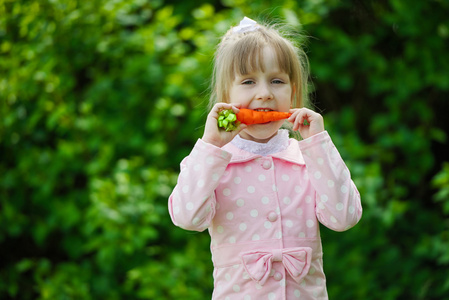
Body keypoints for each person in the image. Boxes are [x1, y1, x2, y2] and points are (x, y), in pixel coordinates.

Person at [168, 16, 362, 300]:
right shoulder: (213, 162)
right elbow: (187, 217)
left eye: (277, 81)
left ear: (293, 92)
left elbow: (344, 217)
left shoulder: (308, 157)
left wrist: (318, 144)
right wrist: (211, 144)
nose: (264, 94)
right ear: (226, 95)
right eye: (248, 81)